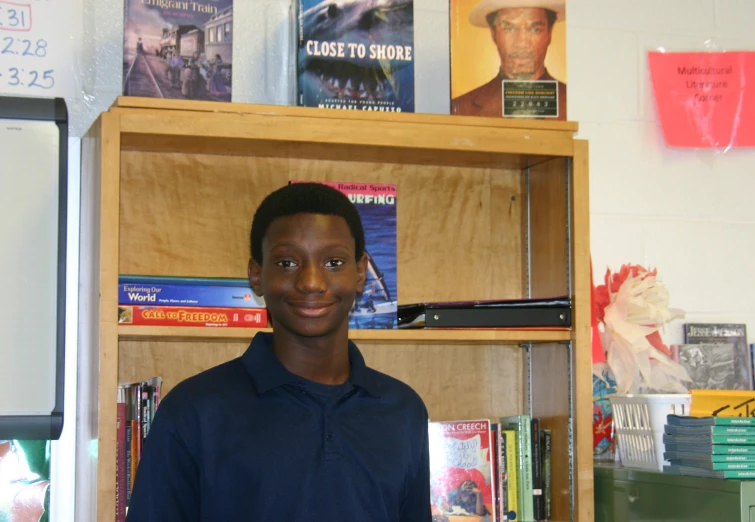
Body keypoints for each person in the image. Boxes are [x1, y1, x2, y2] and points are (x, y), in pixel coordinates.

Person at [125, 182, 432, 521]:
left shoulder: (403, 411)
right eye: (287, 263)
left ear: (360, 273)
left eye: (333, 261)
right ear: (256, 275)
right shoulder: (193, 412)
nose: (311, 282)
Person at [451, 0, 566, 119]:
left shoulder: (575, 105)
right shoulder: (462, 110)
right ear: (493, 33)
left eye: (535, 29)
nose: (522, 43)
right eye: (509, 29)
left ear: (549, 33)